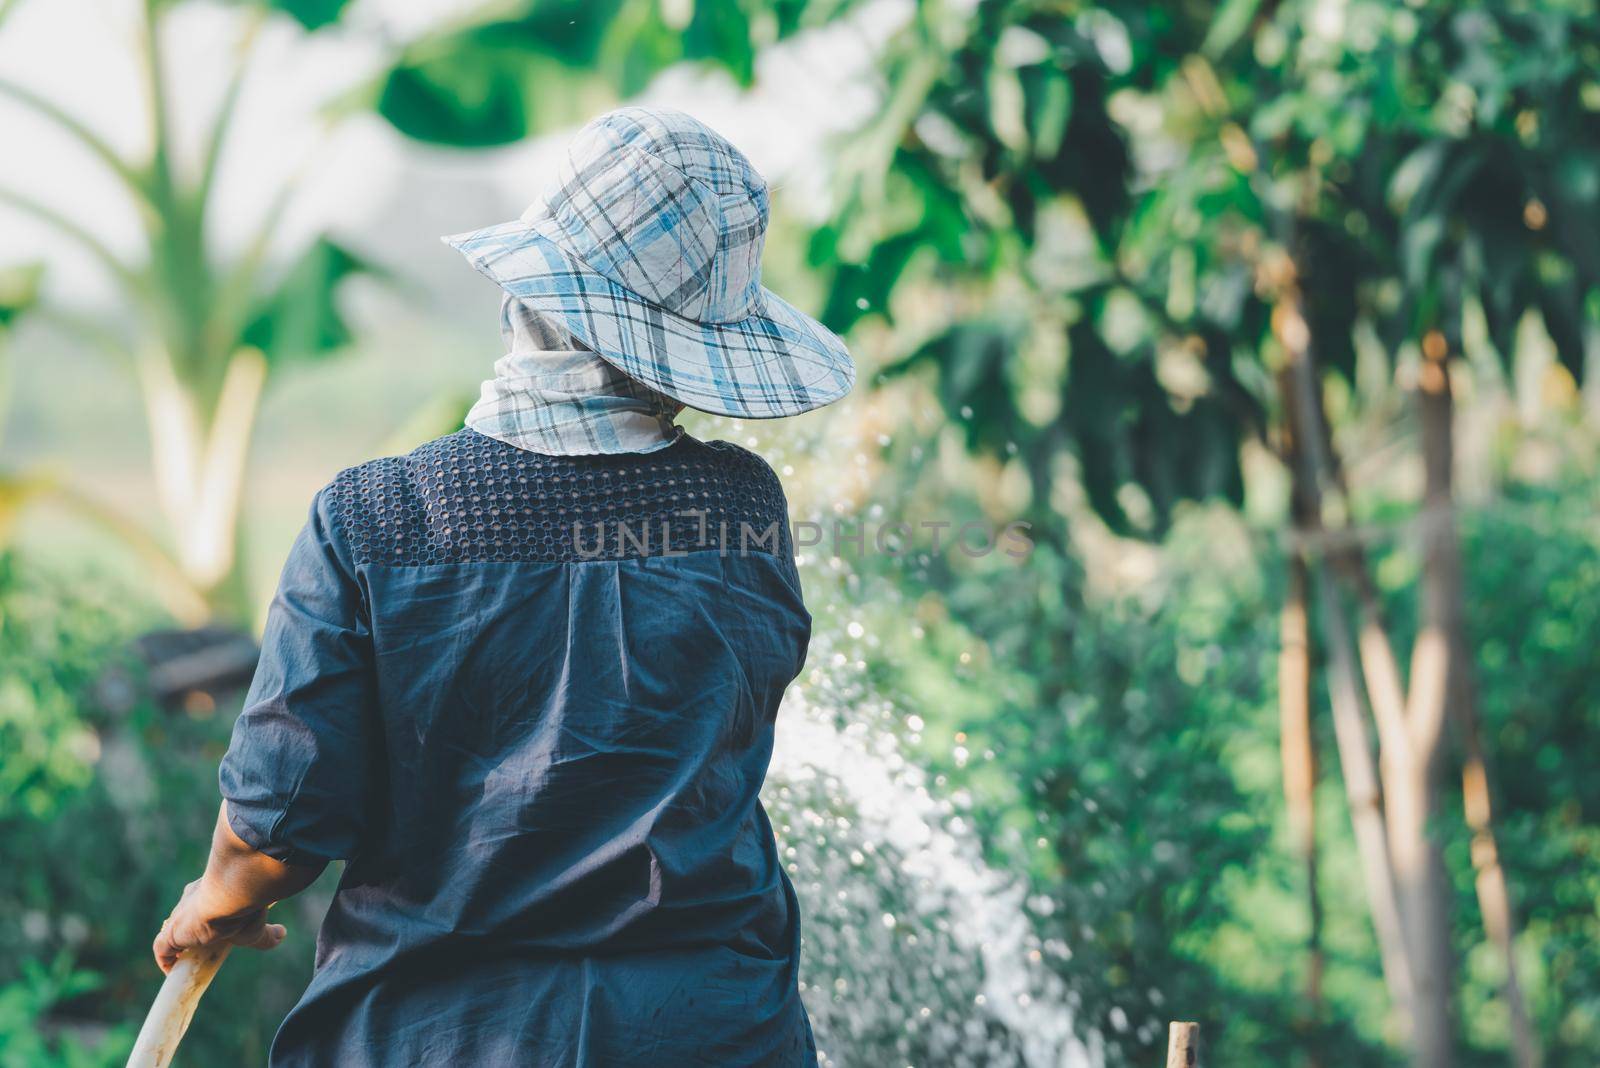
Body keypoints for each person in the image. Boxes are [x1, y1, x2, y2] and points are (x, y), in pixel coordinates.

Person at [152, 105, 854, 1067]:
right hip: (710, 1033)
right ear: (685, 354)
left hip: (432, 1033)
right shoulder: (738, 508)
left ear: (529, 299)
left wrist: (215, 901)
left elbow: (281, 828)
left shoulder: (375, 518)